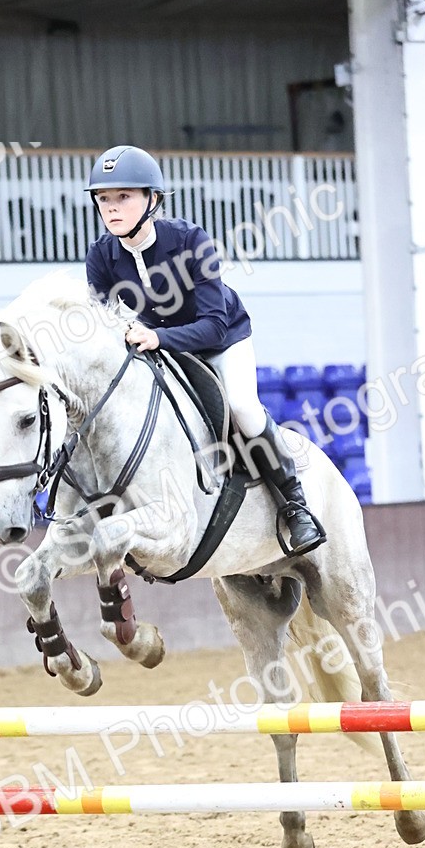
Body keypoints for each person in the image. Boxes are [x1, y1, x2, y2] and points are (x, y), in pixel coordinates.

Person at [84, 144, 325, 556]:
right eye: (104, 199)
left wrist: (159, 338)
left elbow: (213, 325)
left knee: (243, 406)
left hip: (221, 339)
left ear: (152, 199)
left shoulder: (190, 241)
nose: (112, 208)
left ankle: (295, 505)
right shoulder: (101, 256)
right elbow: (103, 323)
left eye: (124, 196)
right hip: (159, 346)